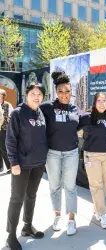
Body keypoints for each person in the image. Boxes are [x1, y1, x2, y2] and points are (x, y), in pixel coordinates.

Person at [5, 83, 47, 250]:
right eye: (33, 93)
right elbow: (10, 140)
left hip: (38, 164)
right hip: (21, 165)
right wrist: (13, 162)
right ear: (26, 95)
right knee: (16, 199)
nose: (36, 96)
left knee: (31, 196)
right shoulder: (17, 113)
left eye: (39, 94)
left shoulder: (40, 112)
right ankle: (11, 235)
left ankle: (27, 226)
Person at [40, 71, 80, 235]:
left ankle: (71, 219)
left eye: (67, 91)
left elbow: (90, 119)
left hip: (71, 153)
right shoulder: (47, 107)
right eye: (61, 91)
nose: (64, 95)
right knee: (54, 186)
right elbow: (29, 108)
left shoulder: (76, 109)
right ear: (56, 92)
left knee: (70, 187)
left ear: (72, 92)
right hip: (53, 154)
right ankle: (57, 215)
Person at [78, 93, 106, 229]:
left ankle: (97, 209)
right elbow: (73, 128)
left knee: (104, 184)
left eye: (104, 101)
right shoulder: (87, 117)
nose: (102, 103)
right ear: (94, 103)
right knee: (96, 185)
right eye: (99, 100)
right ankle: (102, 214)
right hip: (92, 156)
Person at [0, 89, 13, 173]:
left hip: (4, 129)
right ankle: (0, 167)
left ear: (3, 96)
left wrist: (8, 117)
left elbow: (12, 116)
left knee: (4, 148)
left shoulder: (8, 105)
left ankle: (9, 166)